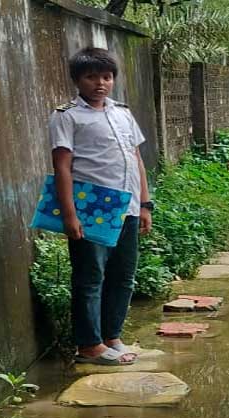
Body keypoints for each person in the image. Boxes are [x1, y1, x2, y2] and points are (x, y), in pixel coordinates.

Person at [48, 47, 152, 366]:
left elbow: (136, 159)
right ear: (77, 80)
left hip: (127, 206)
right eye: (92, 77)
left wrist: (145, 204)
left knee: (123, 276)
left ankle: (111, 337)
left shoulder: (122, 113)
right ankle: (89, 344)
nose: (100, 83)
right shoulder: (67, 116)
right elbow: (62, 167)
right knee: (90, 277)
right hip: (93, 207)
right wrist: (69, 214)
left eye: (106, 77)